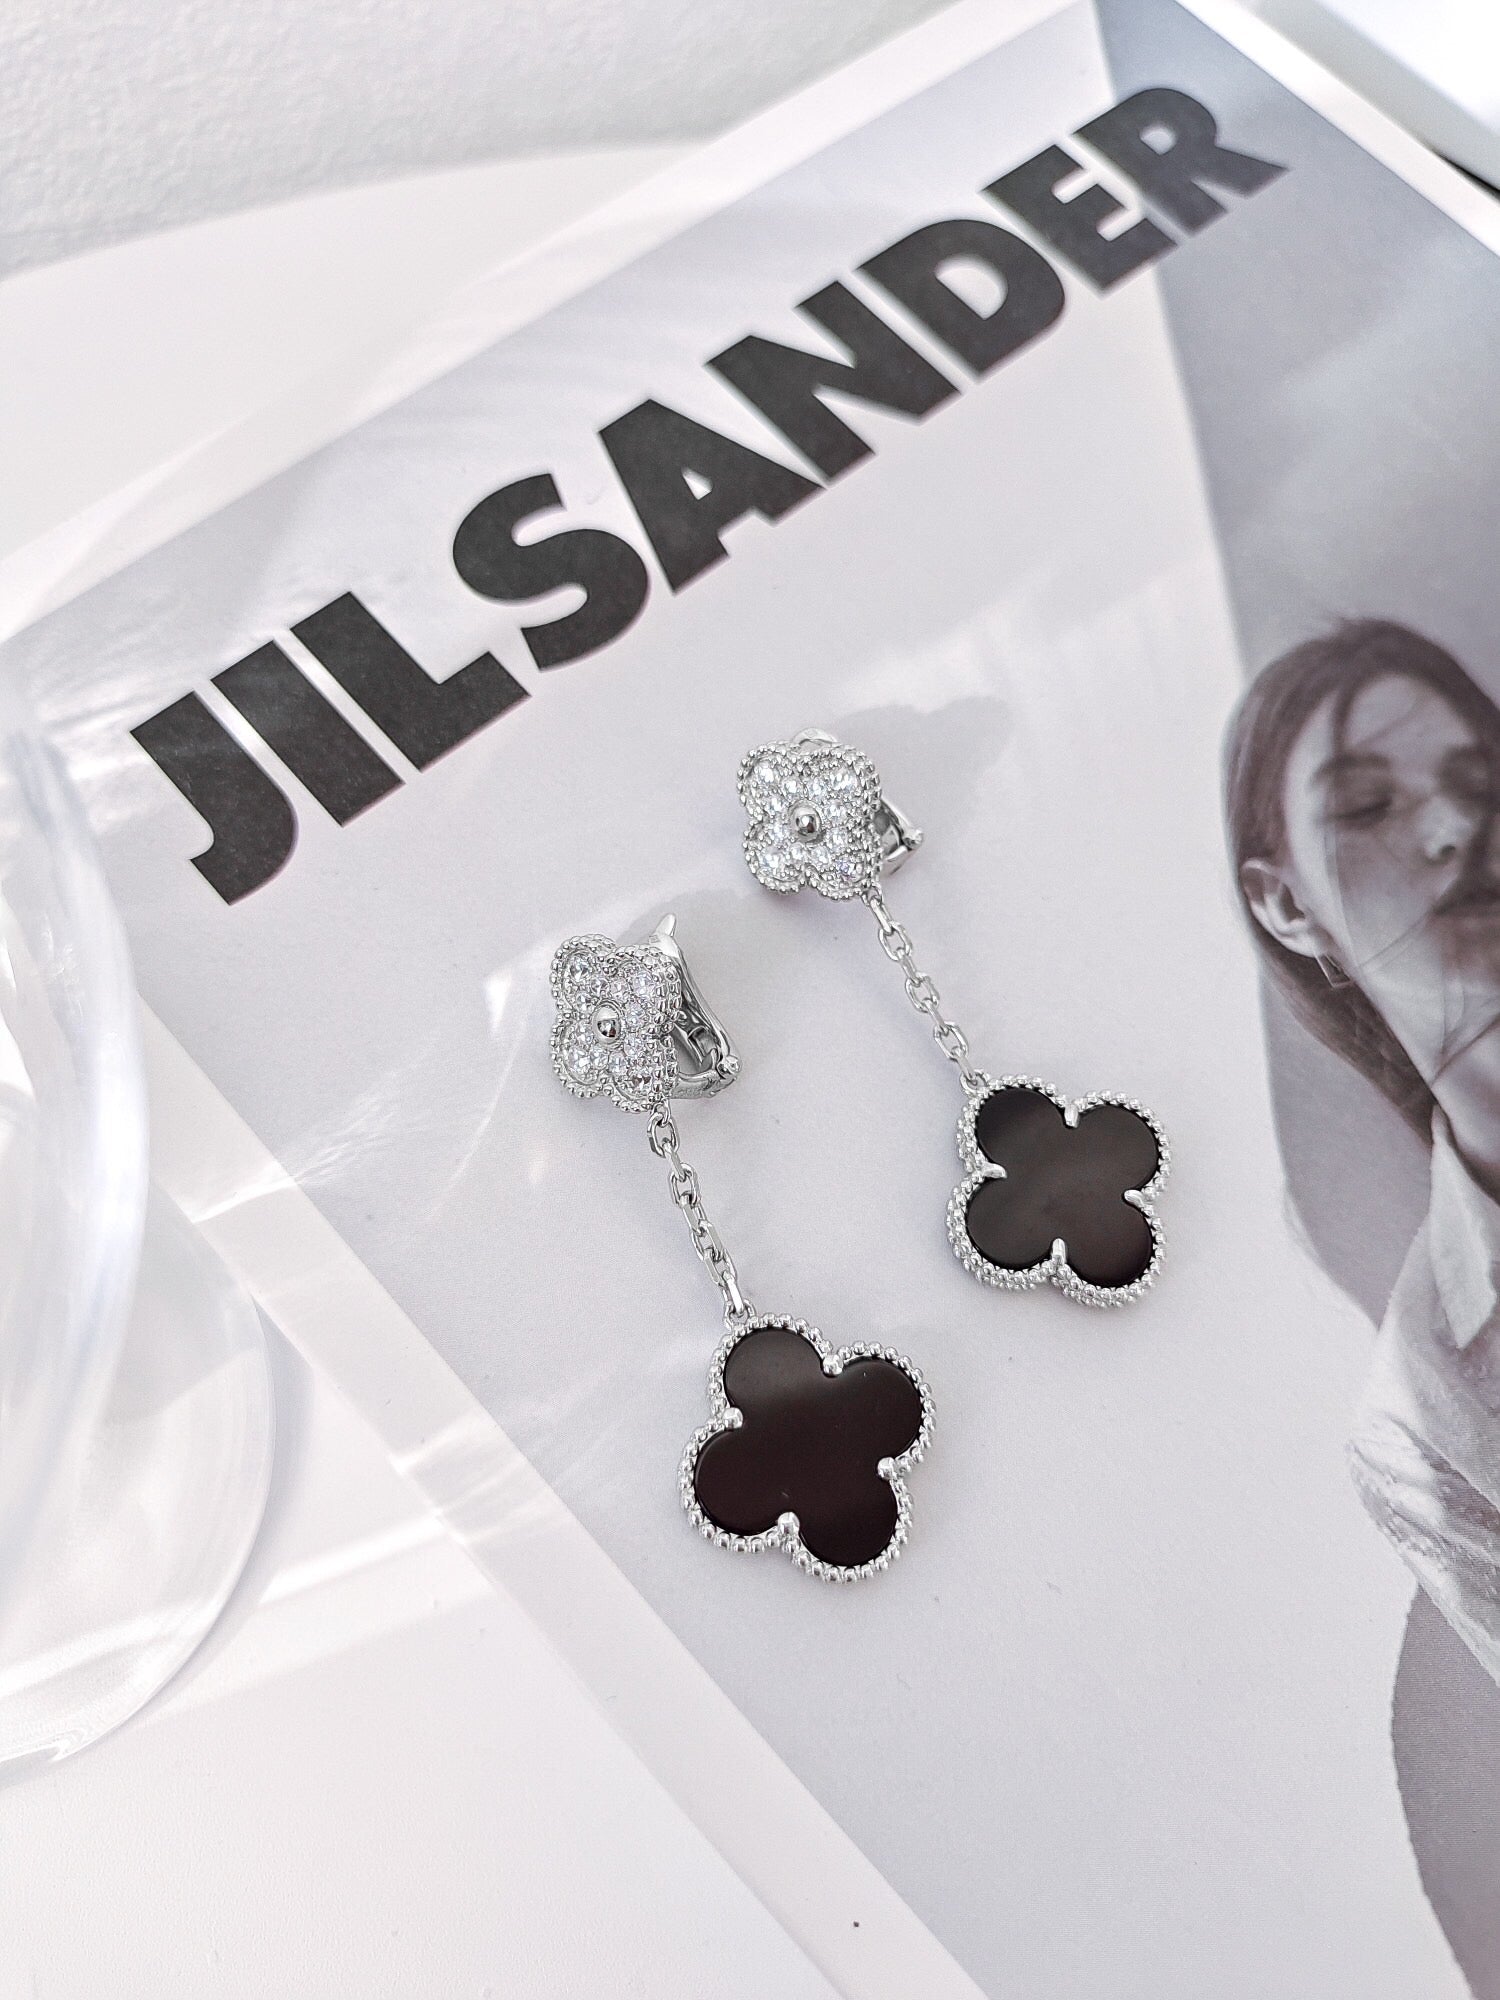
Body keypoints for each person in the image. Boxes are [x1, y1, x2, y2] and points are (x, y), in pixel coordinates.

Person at [1226, 618, 1500, 1683]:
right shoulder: (1423, 1425)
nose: (1454, 827)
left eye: (1479, 782)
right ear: (1285, 902)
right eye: (1365, 805)